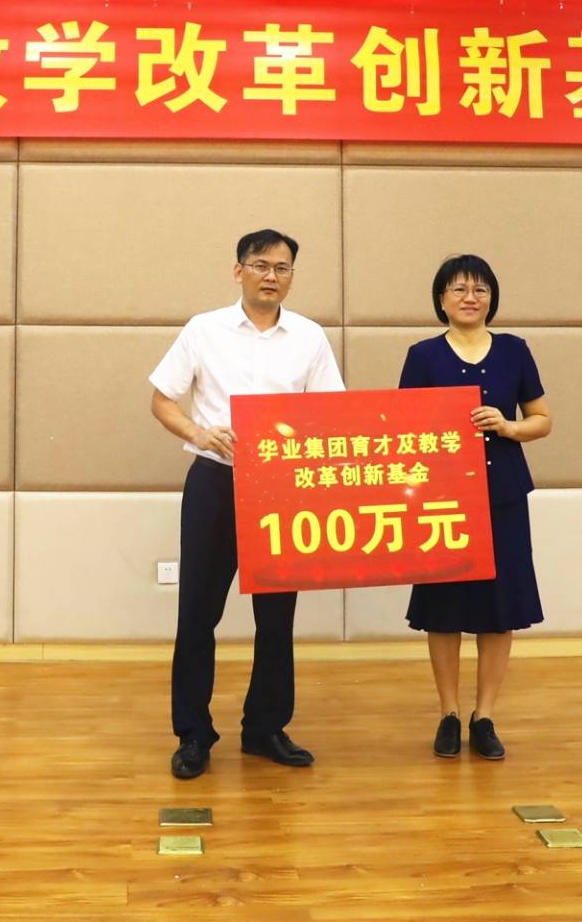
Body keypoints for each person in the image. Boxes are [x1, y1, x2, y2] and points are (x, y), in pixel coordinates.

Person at [149, 228, 345, 780]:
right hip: (215, 483)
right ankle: (193, 734)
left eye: (282, 268)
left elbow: (331, 413)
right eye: (260, 265)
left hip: (282, 491)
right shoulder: (203, 329)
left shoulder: (309, 337)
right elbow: (162, 400)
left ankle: (265, 728)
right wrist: (199, 432)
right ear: (239, 270)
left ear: (291, 277)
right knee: (198, 614)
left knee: (277, 616)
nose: (270, 276)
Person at [399, 253, 552, 761]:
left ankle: (484, 716)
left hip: (503, 495)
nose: (470, 298)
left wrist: (508, 427)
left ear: (492, 299)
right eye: (459, 289)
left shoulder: (514, 350)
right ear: (441, 299)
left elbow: (542, 419)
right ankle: (448, 712)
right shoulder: (423, 355)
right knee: (443, 611)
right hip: (443, 498)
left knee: (498, 610)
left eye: (480, 290)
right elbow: (403, 427)